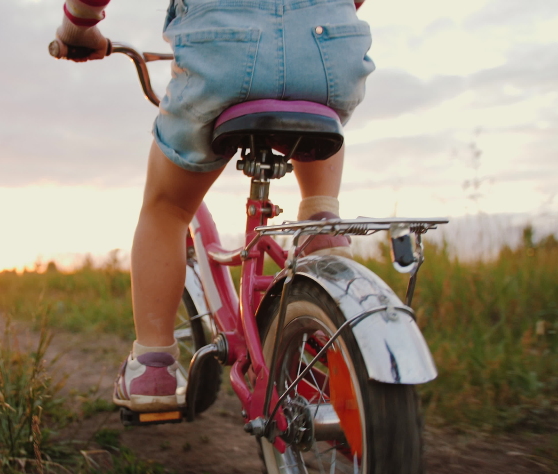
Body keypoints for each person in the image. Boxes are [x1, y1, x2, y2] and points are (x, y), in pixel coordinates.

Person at [55, 0, 374, 412]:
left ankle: (153, 367)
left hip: (225, 51)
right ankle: (320, 217)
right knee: (315, 105)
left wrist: (79, 27)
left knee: (167, 208)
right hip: (329, 49)